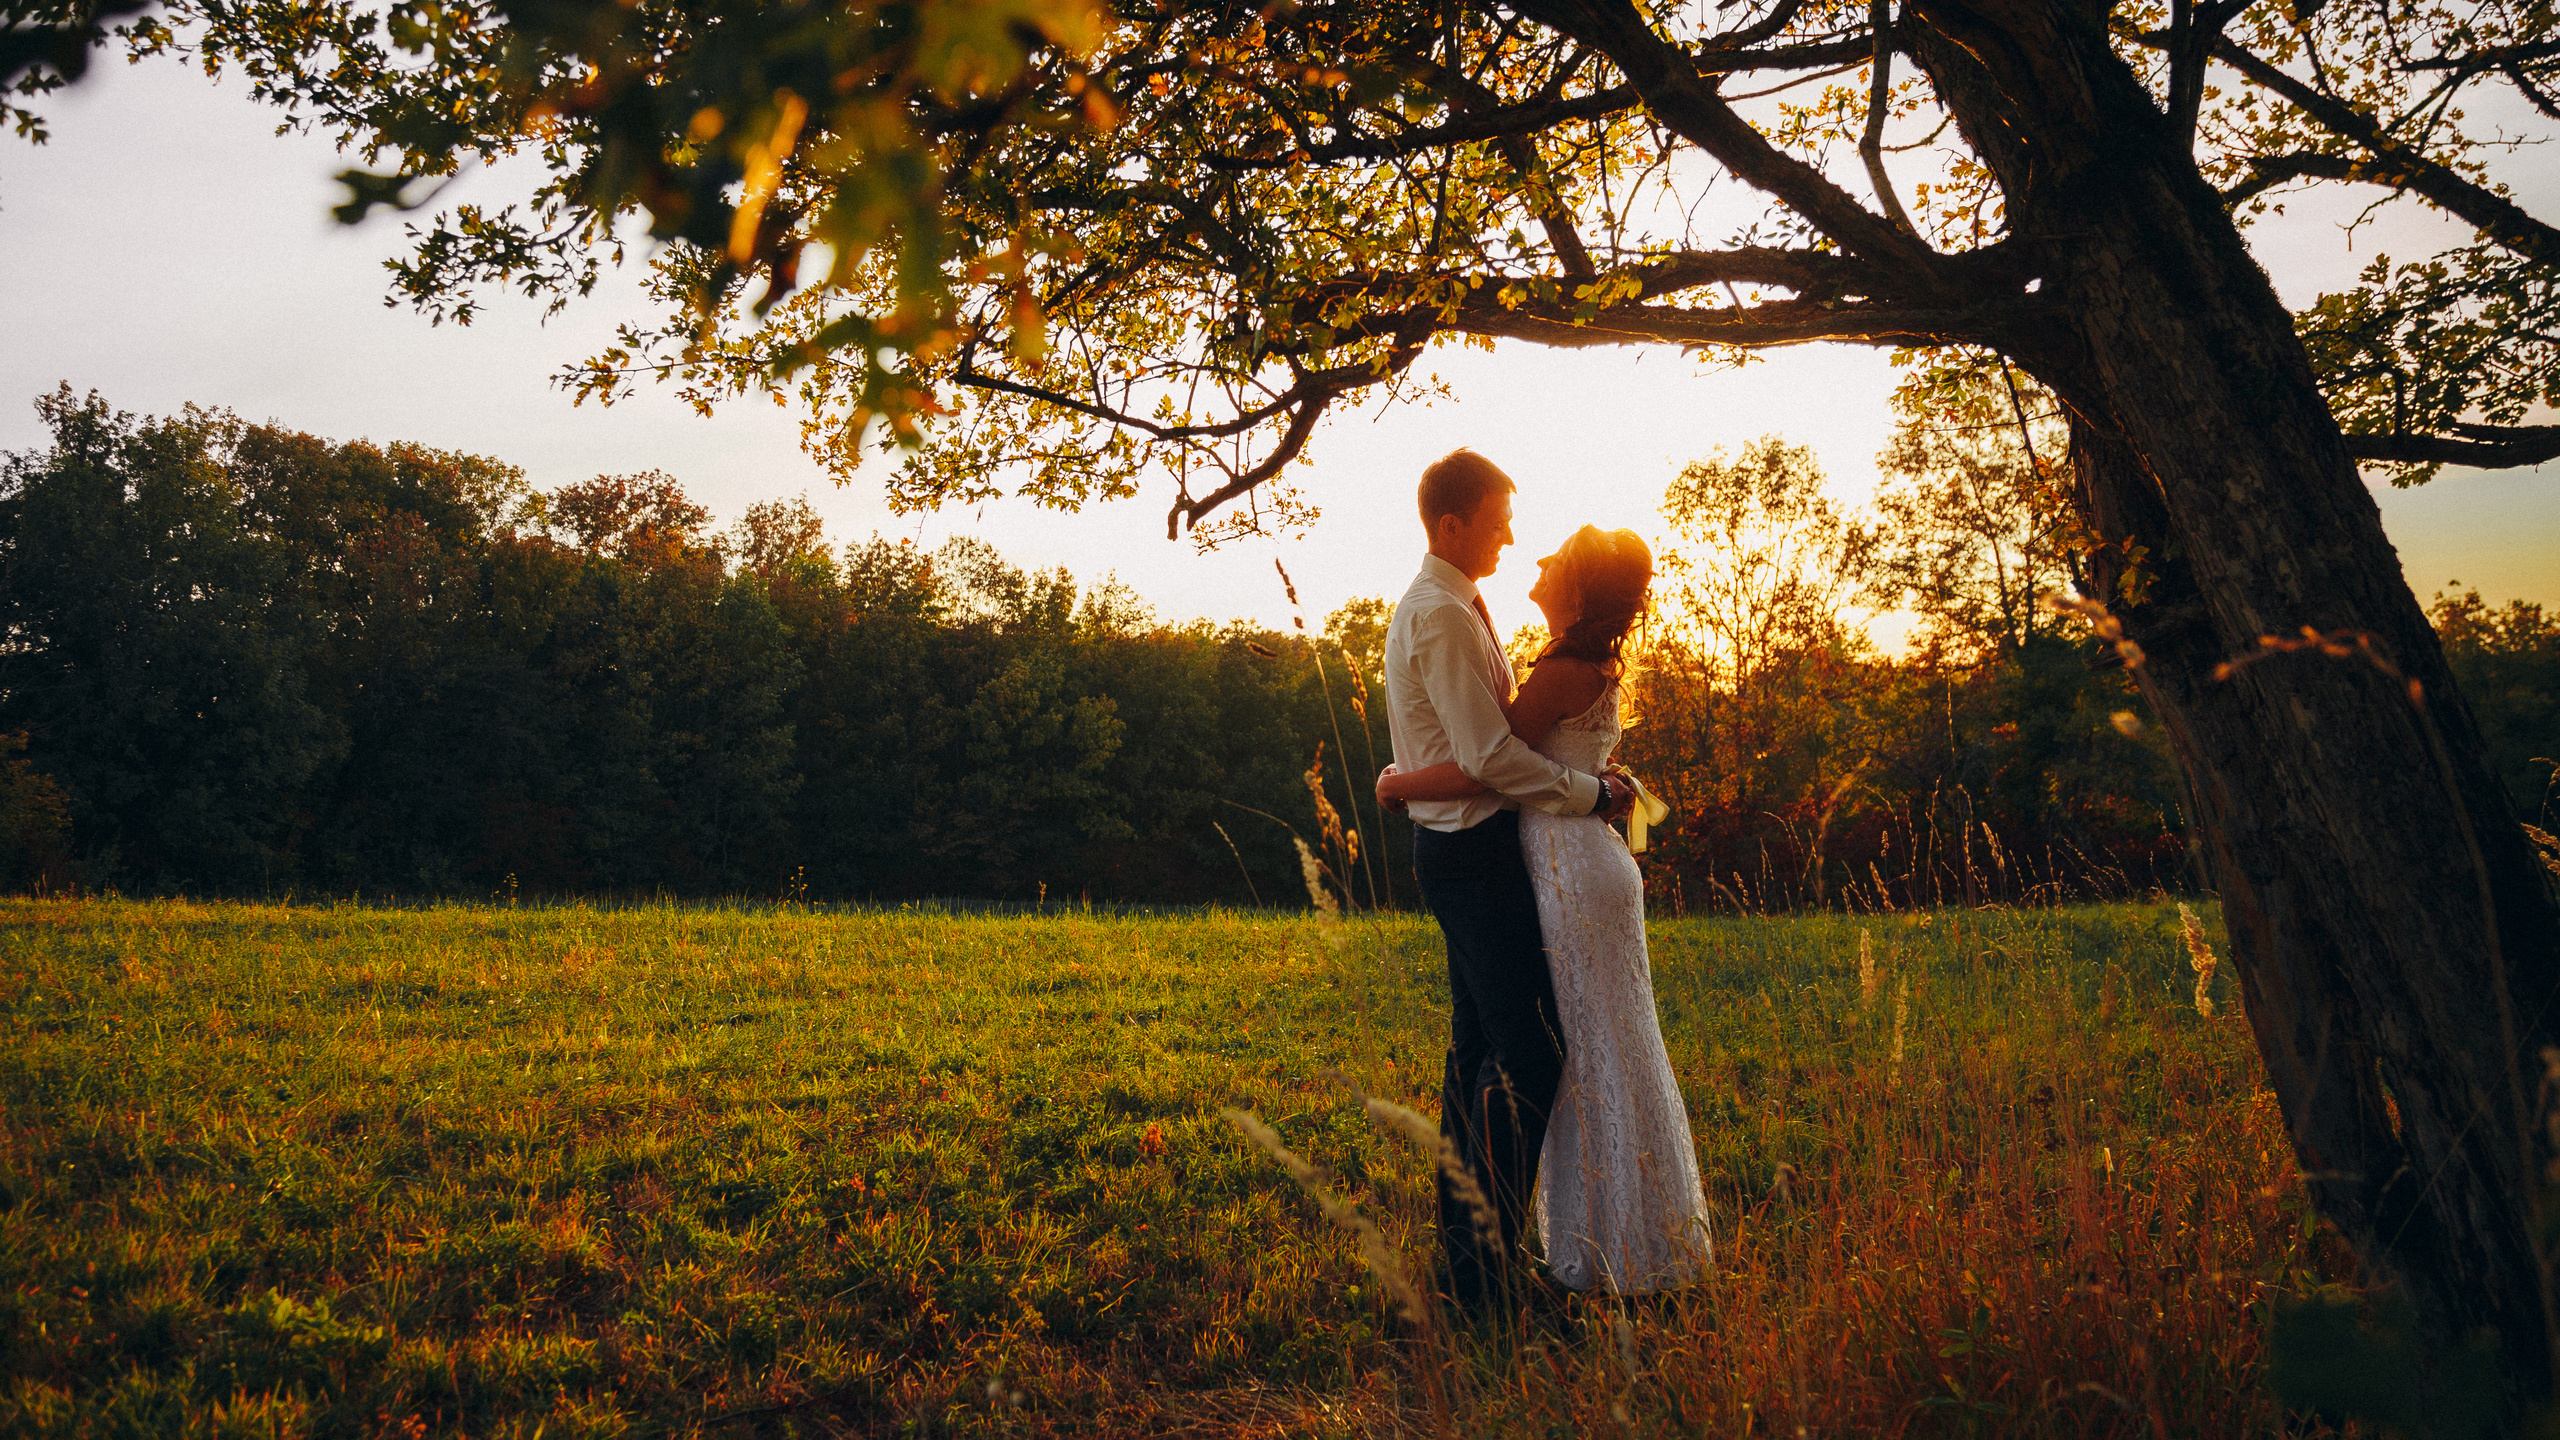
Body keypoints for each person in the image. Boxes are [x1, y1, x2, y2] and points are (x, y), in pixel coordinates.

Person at [1380, 523, 1712, 1295]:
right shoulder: (1577, 663)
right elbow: (1540, 757)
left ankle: (1589, 1250)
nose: (1535, 554)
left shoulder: (1564, 668)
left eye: (1557, 557)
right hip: (1575, 866)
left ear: (1582, 586)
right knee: (1593, 1040)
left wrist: (1395, 784)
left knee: (1570, 1046)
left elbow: (1486, 768)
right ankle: (1605, 1241)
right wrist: (1604, 784)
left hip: (1570, 871)